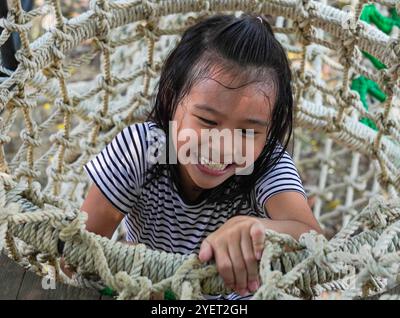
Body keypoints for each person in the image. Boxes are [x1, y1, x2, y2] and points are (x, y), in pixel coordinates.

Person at [81, 13, 323, 300]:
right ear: (172, 100)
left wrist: (257, 228)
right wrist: (128, 269)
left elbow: (313, 240)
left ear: (269, 130)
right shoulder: (142, 149)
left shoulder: (267, 165)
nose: (222, 146)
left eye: (247, 132)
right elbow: (79, 253)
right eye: (208, 121)